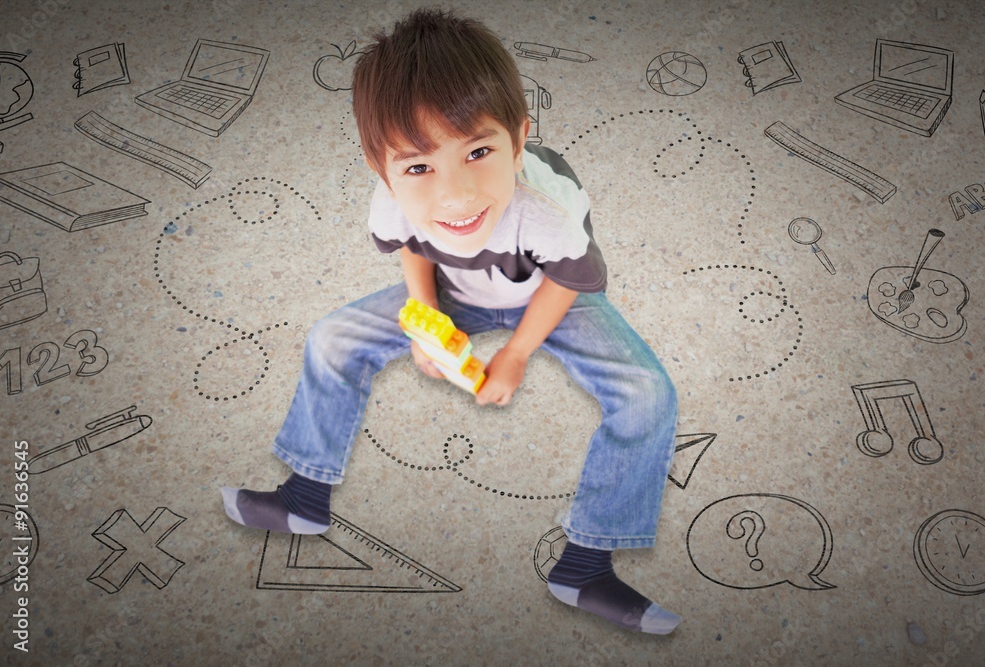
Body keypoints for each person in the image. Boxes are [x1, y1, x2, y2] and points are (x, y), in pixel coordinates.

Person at [222, 8, 681, 635]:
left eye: (480, 151)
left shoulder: (548, 211)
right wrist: (427, 316)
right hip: (456, 289)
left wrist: (516, 354)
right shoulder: (392, 203)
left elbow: (570, 281)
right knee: (333, 337)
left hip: (547, 291)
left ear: (519, 139)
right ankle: (304, 498)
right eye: (417, 167)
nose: (456, 195)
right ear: (381, 170)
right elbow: (415, 248)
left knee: (647, 392)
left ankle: (585, 564)